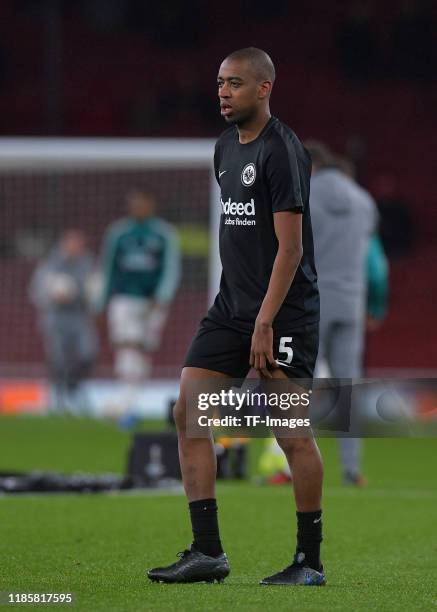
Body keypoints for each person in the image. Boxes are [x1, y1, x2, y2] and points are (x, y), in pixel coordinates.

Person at [148, 47, 324, 587]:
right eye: (220, 82)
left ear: (264, 88)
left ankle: (308, 562)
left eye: (236, 83)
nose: (223, 92)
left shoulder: (283, 150)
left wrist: (266, 322)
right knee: (188, 414)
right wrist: (244, 315)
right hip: (230, 309)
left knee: (290, 434)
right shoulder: (224, 146)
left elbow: (289, 250)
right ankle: (207, 552)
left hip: (284, 313)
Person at [306, 142, 381, 485]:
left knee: (295, 384)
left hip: (311, 300)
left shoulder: (303, 194)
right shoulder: (364, 201)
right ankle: (352, 469)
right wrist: (374, 303)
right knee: (348, 387)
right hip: (352, 301)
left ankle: (288, 464)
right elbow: (376, 264)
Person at [98, 190, 180, 413]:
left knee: (143, 347)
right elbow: (108, 268)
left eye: (142, 203)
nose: (138, 207)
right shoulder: (118, 233)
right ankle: (126, 395)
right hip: (124, 297)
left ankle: (132, 395)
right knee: (127, 342)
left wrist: (162, 296)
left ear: (151, 205)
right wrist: (100, 301)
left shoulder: (163, 234)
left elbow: (171, 268)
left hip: (152, 300)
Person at [29, 230, 98, 412]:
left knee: (87, 354)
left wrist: (89, 295)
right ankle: (58, 399)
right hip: (55, 318)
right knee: (59, 360)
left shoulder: (88, 264)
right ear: (64, 245)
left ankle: (73, 387)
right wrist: (53, 295)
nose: (76, 247)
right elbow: (36, 291)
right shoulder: (50, 264)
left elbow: (95, 289)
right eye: (72, 243)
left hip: (80, 317)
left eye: (79, 244)